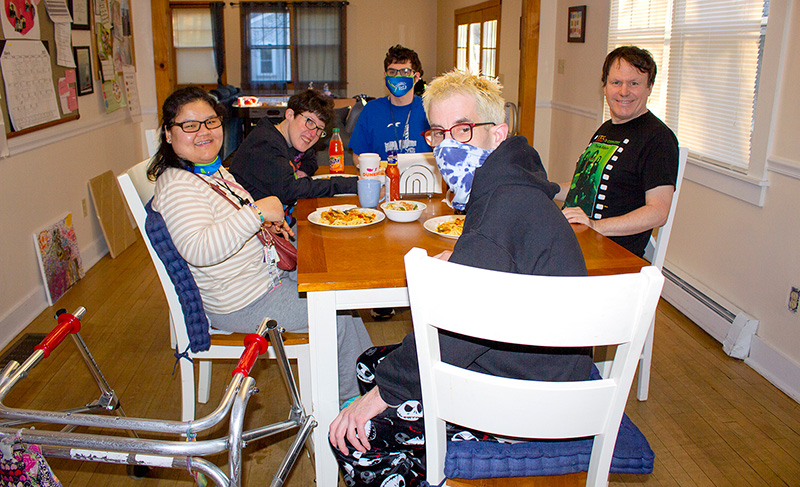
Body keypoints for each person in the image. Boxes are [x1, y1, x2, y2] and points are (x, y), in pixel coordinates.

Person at [328, 71, 592, 487]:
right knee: (369, 365)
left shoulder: (500, 207)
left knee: (358, 436)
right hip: (532, 360)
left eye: (464, 130)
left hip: (531, 402)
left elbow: (456, 330)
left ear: (497, 134)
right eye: (438, 133)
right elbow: (493, 275)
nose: (449, 146)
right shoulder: (509, 185)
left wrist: (376, 400)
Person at [148, 87, 372, 401]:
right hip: (243, 301)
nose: (204, 132)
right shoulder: (178, 185)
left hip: (263, 279)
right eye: (190, 125)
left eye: (211, 123)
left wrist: (264, 221)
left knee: (341, 296)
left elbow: (229, 216)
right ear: (169, 135)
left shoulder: (209, 172)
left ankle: (368, 382)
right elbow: (198, 249)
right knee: (335, 315)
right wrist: (256, 213)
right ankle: (350, 403)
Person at [557, 46, 679, 257]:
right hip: (576, 242)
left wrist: (595, 226)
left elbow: (658, 212)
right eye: (616, 82)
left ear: (649, 87)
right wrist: (544, 187)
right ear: (604, 86)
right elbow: (586, 186)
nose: (624, 91)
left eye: (634, 83)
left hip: (611, 254)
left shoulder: (658, 139)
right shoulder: (606, 129)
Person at [229, 89, 358, 225]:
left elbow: (311, 160)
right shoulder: (265, 143)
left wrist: (301, 172)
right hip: (256, 232)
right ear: (290, 114)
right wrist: (348, 184)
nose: (313, 133)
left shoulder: (292, 139)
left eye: (319, 129)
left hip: (283, 221)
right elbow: (291, 190)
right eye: (309, 122)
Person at [349, 44, 432, 167]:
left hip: (421, 181)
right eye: (392, 72)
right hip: (381, 181)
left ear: (416, 77)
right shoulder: (371, 110)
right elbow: (358, 157)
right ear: (385, 75)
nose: (398, 76)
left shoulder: (430, 109)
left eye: (405, 72)